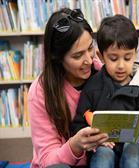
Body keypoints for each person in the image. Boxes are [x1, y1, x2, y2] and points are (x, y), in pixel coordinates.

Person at [71, 15, 139, 168]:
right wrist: (94, 138)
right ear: (101, 56)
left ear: (135, 54)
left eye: (127, 58)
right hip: (103, 148)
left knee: (133, 151)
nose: (121, 65)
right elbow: (78, 124)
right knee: (103, 157)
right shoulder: (92, 86)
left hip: (137, 148)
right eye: (113, 58)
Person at [28, 8, 109, 168]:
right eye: (77, 56)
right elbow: (47, 161)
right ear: (57, 58)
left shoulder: (103, 73)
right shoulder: (40, 92)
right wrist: (75, 145)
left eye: (90, 48)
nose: (89, 60)